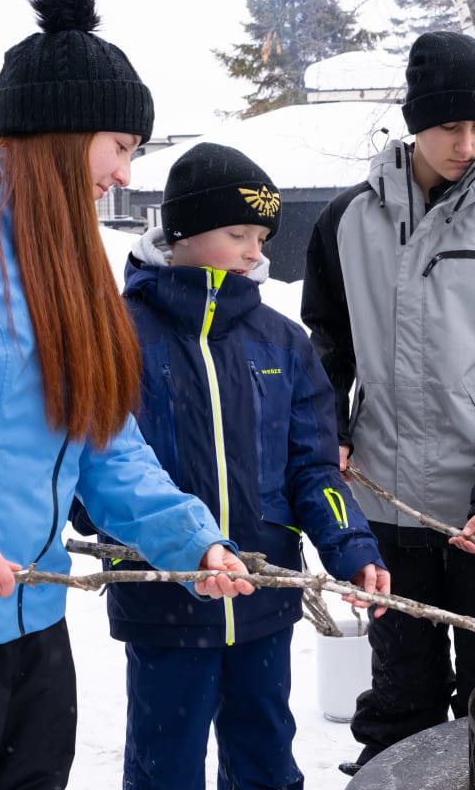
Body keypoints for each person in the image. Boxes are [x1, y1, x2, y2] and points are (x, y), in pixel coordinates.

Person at [0, 0, 255, 787]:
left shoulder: (59, 260)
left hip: (34, 638)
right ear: (63, 132)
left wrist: (189, 537)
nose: (125, 174)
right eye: (119, 145)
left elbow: (102, 437)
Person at [72, 142, 390, 790]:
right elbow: (89, 471)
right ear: (183, 233)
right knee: (166, 765)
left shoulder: (283, 342)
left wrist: (351, 545)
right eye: (237, 232)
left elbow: (314, 468)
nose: (255, 251)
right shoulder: (117, 335)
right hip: (163, 598)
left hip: (264, 598)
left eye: (262, 237)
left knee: (266, 756)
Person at [301, 30, 475, 774]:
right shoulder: (345, 222)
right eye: (452, 125)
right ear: (415, 119)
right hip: (388, 509)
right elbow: (325, 347)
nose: (467, 143)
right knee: (403, 694)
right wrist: (330, 432)